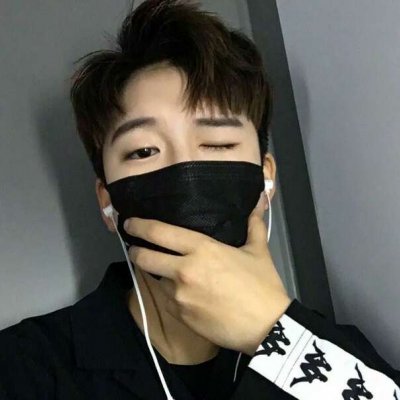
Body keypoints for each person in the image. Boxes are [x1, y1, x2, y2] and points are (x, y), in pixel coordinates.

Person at [0, 0, 399, 399]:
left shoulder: (339, 354)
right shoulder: (23, 367)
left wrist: (272, 331)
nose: (185, 167)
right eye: (143, 151)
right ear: (108, 202)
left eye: (218, 143)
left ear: (266, 180)